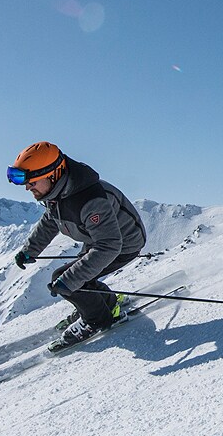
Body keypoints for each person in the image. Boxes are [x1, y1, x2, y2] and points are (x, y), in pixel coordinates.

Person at [8, 142, 149, 346]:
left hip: (122, 244)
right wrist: (29, 250)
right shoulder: (58, 192)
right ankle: (107, 303)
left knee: (69, 280)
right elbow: (50, 222)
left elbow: (109, 246)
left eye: (32, 181)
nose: (27, 187)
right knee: (77, 277)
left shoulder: (90, 199)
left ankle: (98, 319)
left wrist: (71, 282)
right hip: (97, 240)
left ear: (53, 174)